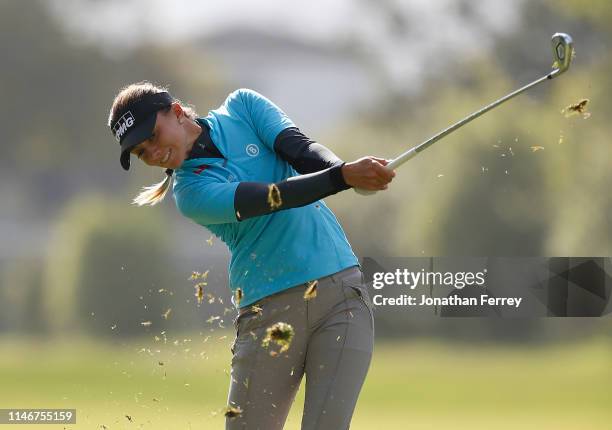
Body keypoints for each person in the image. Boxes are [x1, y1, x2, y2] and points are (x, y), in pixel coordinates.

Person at [107, 82, 395, 429]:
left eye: (152, 136)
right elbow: (272, 197)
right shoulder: (190, 193)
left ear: (178, 112)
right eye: (141, 152)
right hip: (269, 313)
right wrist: (343, 176)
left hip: (341, 296)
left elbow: (301, 151)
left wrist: (346, 170)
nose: (152, 153)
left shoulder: (242, 106)